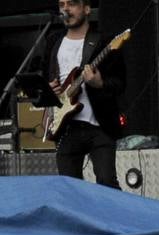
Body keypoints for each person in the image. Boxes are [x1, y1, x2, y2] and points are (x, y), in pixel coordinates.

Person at [45, 0, 125, 188]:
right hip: (66, 127)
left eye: (71, 3)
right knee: (70, 188)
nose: (65, 9)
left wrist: (100, 83)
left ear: (87, 8)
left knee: (107, 182)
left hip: (99, 126)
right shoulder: (53, 42)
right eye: (61, 4)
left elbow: (121, 84)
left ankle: (112, 218)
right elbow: (44, 82)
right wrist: (50, 90)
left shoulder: (105, 42)